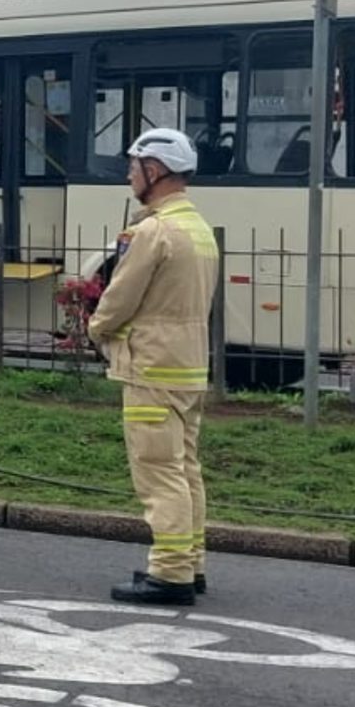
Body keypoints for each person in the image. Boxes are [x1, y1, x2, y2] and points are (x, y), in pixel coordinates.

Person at [87, 128, 219, 606]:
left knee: (157, 472)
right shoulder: (198, 228)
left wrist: (95, 328)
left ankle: (170, 574)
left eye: (133, 166)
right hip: (187, 367)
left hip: (151, 368)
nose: (128, 174)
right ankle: (191, 563)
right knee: (184, 469)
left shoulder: (152, 232)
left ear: (155, 171)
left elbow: (119, 298)